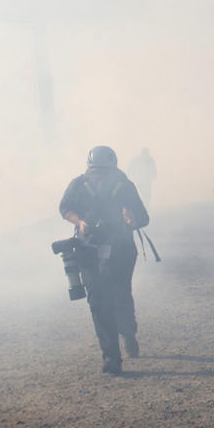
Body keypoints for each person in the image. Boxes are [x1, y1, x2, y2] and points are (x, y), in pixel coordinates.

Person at [59, 146, 150, 375]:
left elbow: (142, 218)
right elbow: (65, 208)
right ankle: (111, 357)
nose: (100, 177)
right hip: (88, 250)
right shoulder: (78, 185)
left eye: (104, 172)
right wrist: (79, 222)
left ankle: (128, 333)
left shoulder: (125, 186)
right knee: (98, 302)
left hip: (121, 250)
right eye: (96, 172)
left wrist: (132, 220)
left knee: (120, 295)